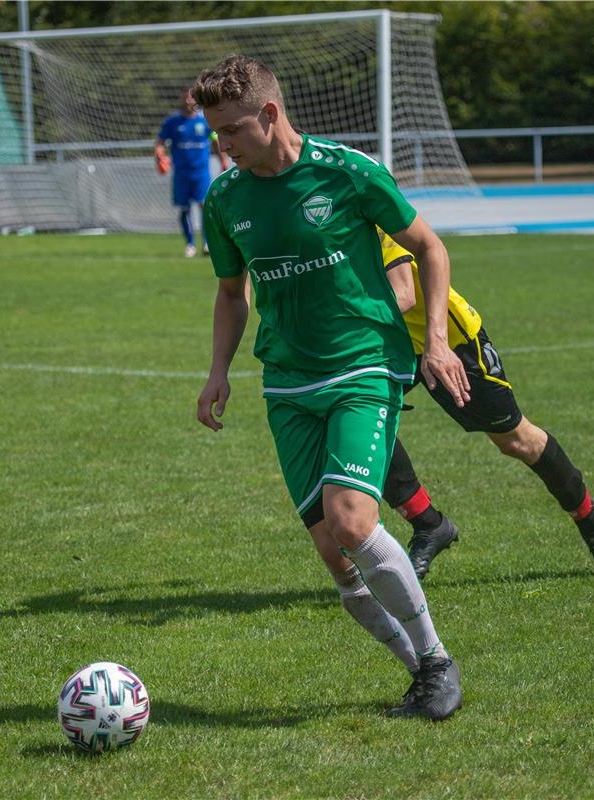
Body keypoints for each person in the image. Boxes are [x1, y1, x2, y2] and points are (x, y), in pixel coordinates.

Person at [193, 55, 468, 721]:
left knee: (352, 522)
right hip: (288, 381)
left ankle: (436, 661)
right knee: (331, 550)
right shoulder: (225, 200)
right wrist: (218, 370)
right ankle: (420, 672)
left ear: (270, 113)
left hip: (363, 363)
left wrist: (434, 338)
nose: (221, 146)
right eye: (214, 135)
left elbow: (429, 247)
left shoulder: (346, 171)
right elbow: (232, 294)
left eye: (230, 130)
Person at [378, 228, 594, 579]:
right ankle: (428, 524)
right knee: (356, 418)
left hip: (448, 342)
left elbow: (404, 293)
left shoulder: (367, 207)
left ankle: (590, 520)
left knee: (516, 441)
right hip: (388, 342)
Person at [154, 87, 230, 257]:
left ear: (195, 100)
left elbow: (215, 141)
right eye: (185, 98)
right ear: (181, 99)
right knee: (184, 209)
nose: (188, 101)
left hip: (201, 173)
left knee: (205, 207)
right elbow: (159, 142)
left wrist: (223, 160)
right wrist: (159, 154)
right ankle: (190, 245)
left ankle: (206, 243)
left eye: (191, 98)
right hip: (181, 173)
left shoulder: (204, 121)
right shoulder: (172, 122)